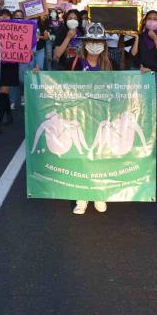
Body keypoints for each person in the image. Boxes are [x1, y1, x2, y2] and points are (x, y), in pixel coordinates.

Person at [64, 22, 119, 215]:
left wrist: (143, 74)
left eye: (99, 41)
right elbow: (55, 79)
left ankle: (99, 193)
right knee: (82, 156)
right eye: (91, 40)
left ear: (104, 44)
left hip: (103, 117)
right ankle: (82, 195)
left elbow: (128, 82)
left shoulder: (111, 64)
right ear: (85, 42)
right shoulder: (76, 62)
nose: (95, 44)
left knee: (101, 155)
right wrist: (36, 74)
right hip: (80, 116)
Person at [131, 10, 157, 125]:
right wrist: (137, 38)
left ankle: (150, 129)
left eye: (155, 19)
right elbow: (133, 55)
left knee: (152, 104)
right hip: (140, 73)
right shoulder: (140, 36)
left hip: (154, 74)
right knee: (137, 103)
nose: (152, 21)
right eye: (149, 19)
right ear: (145, 21)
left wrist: (155, 39)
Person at [0, 9, 20, 124]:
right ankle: (8, 115)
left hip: (10, 64)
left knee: (4, 91)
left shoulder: (16, 30)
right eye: (2, 16)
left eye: (7, 16)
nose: (4, 18)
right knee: (0, 91)